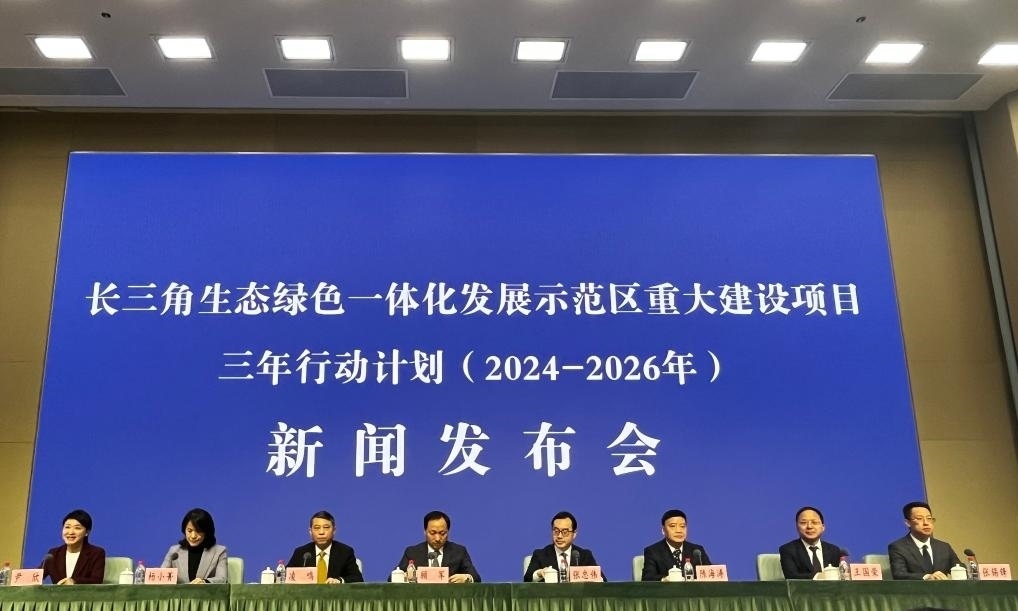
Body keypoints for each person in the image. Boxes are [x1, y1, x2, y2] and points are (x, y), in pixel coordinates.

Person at [395, 510, 481, 583]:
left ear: (448, 532)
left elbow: (476, 577)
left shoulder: (459, 551)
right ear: (425, 531)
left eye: (442, 533)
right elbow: (392, 578)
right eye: (432, 533)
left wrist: (466, 578)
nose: (437, 538)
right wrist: (404, 576)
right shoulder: (412, 552)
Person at [523, 511, 606, 582]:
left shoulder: (584, 555)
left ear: (574, 534)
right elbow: (527, 579)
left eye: (564, 532)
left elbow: (603, 581)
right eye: (556, 531)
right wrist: (539, 573)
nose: (559, 536)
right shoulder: (541, 554)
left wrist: (589, 577)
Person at [888, 501, 961, 580]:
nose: (926, 523)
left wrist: (966, 569)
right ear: (908, 523)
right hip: (915, 588)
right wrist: (927, 577)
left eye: (929, 518)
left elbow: (959, 567)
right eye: (919, 518)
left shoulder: (944, 547)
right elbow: (899, 574)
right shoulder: (898, 547)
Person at [286, 510, 363, 583]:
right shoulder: (301, 553)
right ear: (310, 532)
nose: (321, 532)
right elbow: (286, 576)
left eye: (326, 527)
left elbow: (357, 578)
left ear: (334, 531)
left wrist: (339, 581)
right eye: (317, 528)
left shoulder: (345, 552)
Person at [160, 508, 228, 584]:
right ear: (184, 530)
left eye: (198, 531)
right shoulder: (174, 551)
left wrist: (204, 582)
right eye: (189, 531)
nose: (193, 536)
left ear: (207, 532)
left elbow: (222, 579)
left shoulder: (219, 552)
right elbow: (161, 576)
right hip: (180, 592)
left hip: (205, 591)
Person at [641, 509, 711, 581]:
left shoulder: (697, 550)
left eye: (682, 526)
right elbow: (647, 578)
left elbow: (711, 574)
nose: (678, 530)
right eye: (673, 526)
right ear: (663, 530)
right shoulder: (653, 551)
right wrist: (665, 579)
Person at [778, 506, 845, 579]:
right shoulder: (788, 550)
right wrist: (819, 577)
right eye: (803, 523)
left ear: (823, 527)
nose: (809, 526)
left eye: (815, 522)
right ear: (797, 527)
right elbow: (791, 576)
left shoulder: (834, 550)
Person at [42, 509, 106, 585]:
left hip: (83, 593)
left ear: (87, 532)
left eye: (77, 528)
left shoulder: (96, 553)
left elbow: (97, 580)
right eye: (67, 527)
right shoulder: (53, 554)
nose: (71, 532)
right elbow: (37, 575)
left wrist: (74, 581)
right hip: (57, 593)